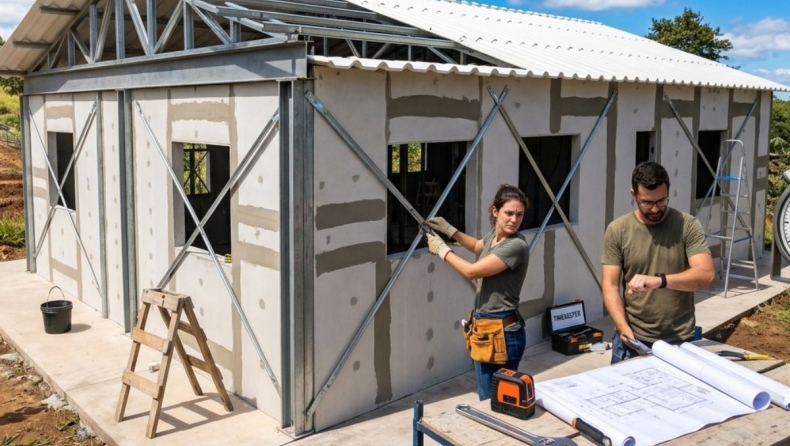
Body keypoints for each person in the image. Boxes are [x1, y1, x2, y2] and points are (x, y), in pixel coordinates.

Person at [602, 161, 715, 364]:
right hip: (633, 342)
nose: (655, 209)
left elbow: (706, 275)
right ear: (633, 194)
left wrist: (660, 281)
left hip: (680, 341)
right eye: (646, 202)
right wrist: (622, 326)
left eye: (661, 201)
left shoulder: (687, 226)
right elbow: (609, 285)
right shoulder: (617, 230)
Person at [425, 184, 530, 400]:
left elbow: (472, 272)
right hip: (487, 327)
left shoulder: (516, 245)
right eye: (509, 213)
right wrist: (449, 230)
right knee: (489, 397)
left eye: (519, 215)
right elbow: (476, 246)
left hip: (502, 331)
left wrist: (442, 250)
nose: (514, 219)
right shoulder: (495, 236)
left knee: (497, 400)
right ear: (495, 212)